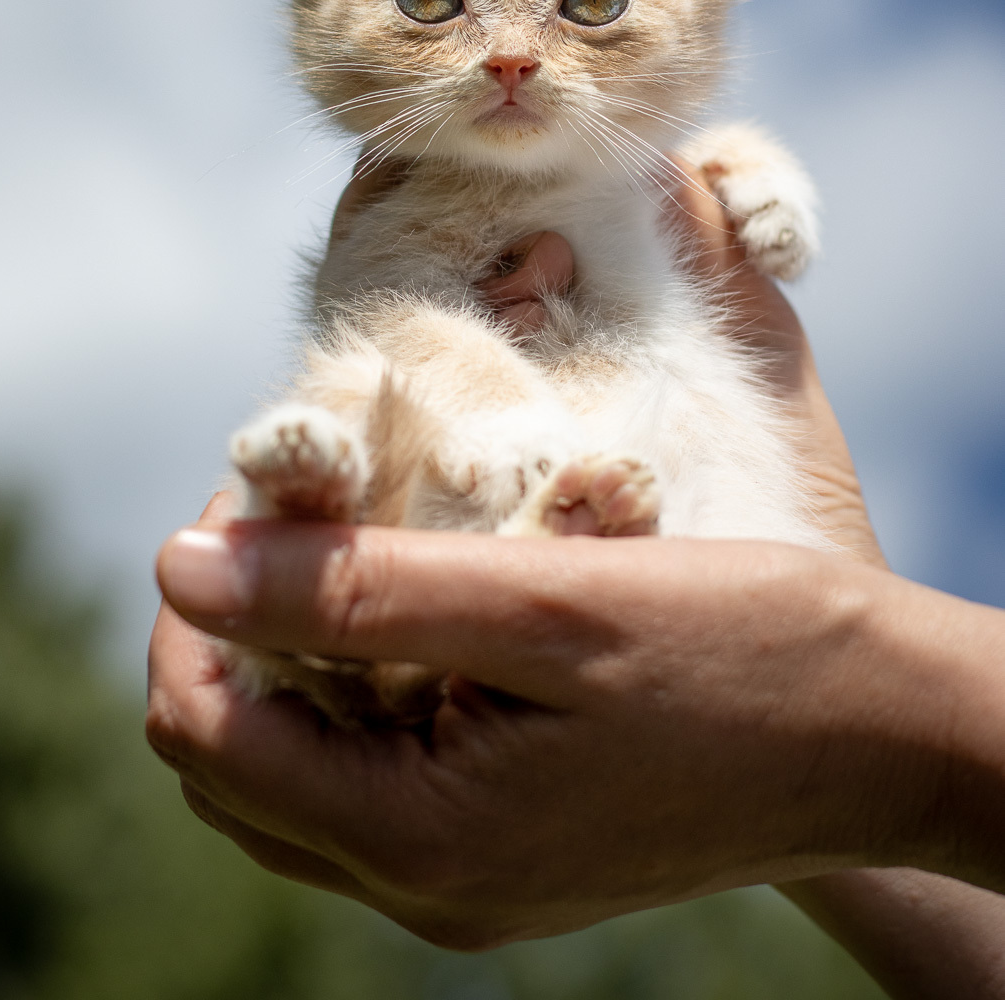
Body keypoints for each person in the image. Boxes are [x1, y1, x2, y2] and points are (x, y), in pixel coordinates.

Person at [148, 163, 1005, 996]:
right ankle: (342, 547)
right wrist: (864, 737)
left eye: (589, 3)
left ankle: (333, 548)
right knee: (363, 396)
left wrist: (866, 722)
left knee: (372, 428)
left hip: (578, 495)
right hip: (556, 498)